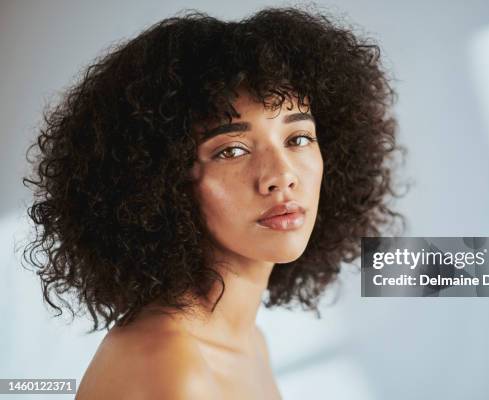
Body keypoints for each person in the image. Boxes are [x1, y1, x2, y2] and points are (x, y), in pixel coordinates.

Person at [22, 7, 404, 399]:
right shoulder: (169, 364)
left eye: (299, 139)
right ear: (163, 181)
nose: (281, 175)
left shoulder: (247, 342)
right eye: (231, 150)